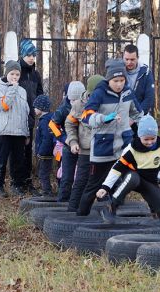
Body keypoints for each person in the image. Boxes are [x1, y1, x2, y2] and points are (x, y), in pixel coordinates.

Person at [77, 59, 143, 216]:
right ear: (108, 79)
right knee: (93, 186)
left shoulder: (128, 92)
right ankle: (81, 216)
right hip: (103, 148)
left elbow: (138, 113)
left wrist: (136, 125)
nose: (119, 84)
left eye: (122, 80)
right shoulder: (100, 92)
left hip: (124, 147)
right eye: (115, 81)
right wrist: (103, 118)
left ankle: (113, 216)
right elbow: (86, 116)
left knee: (124, 182)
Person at [96, 115, 160, 223]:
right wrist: (105, 187)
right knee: (133, 178)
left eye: (152, 139)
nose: (150, 142)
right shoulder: (132, 149)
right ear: (139, 136)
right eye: (146, 139)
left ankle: (155, 212)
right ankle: (112, 205)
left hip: (149, 181)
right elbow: (117, 168)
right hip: (132, 177)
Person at [64, 74, 105, 212]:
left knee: (105, 183)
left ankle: (106, 212)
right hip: (85, 149)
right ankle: (73, 211)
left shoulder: (109, 103)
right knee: (81, 181)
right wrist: (73, 141)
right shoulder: (78, 105)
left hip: (105, 150)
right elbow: (69, 124)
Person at [0, 60, 30, 197]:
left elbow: (25, 112)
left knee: (18, 160)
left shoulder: (23, 91)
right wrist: (13, 88)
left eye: (17, 74)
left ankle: (17, 185)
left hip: (19, 132)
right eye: (12, 74)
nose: (15, 77)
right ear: (7, 73)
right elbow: (4, 106)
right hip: (5, 131)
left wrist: (26, 133)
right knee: (2, 159)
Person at [18, 38, 44, 195]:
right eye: (29, 54)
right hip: (17, 118)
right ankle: (18, 181)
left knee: (28, 150)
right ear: (22, 55)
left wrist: (39, 107)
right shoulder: (16, 72)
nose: (31, 58)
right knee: (17, 150)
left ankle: (28, 181)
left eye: (33, 55)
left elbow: (40, 93)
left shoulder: (35, 75)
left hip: (30, 119)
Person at [123, 44, 155, 135]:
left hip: (140, 119)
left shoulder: (146, 72)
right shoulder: (117, 71)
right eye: (127, 59)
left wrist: (134, 118)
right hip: (120, 119)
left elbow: (149, 98)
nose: (129, 62)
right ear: (123, 57)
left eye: (132, 59)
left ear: (138, 58)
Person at [33, 94, 55, 196]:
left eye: (36, 107)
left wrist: (41, 152)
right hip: (46, 152)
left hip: (45, 153)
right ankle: (47, 190)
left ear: (41, 108)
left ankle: (47, 192)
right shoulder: (46, 119)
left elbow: (47, 138)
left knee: (43, 173)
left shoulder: (45, 121)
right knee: (44, 172)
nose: (34, 109)